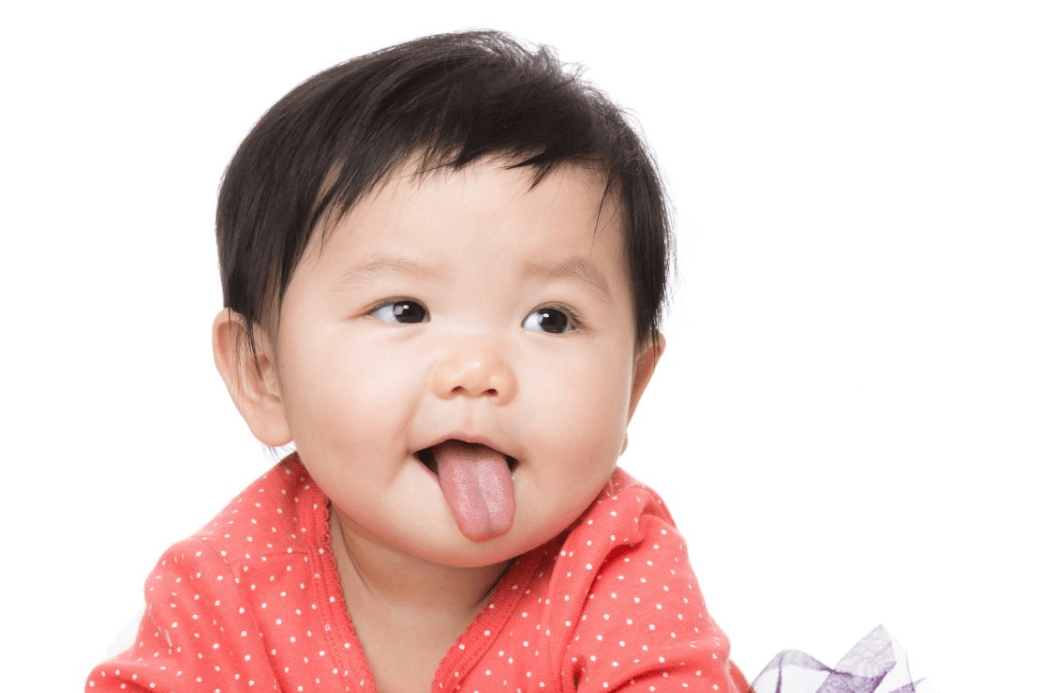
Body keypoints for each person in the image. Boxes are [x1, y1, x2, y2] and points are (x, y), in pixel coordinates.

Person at [86, 30, 749, 693]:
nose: (478, 369)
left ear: (631, 388)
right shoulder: (224, 582)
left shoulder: (617, 562)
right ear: (264, 372)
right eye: (404, 309)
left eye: (550, 318)